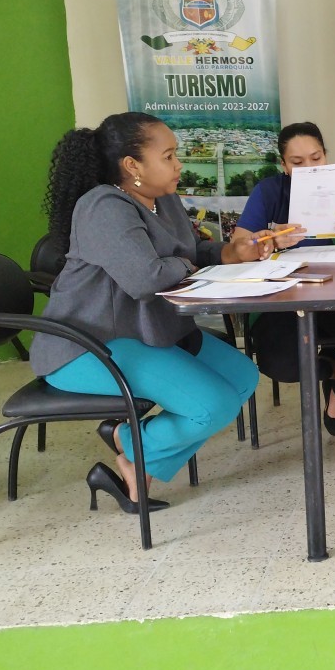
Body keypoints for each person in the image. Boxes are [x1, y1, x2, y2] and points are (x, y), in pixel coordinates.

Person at [30, 112, 261, 512]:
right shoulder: (103, 206)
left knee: (242, 377)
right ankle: (135, 449)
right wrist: (188, 265)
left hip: (149, 332)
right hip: (88, 345)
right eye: (168, 156)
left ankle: (133, 452)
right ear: (132, 165)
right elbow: (145, 278)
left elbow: (189, 252)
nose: (179, 165)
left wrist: (230, 252)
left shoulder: (164, 200)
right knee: (213, 406)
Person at [232, 121, 335, 436]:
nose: (309, 168)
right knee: (279, 365)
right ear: (284, 165)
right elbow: (238, 247)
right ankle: (333, 366)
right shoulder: (269, 191)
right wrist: (270, 239)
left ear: (326, 155)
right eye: (297, 162)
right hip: (282, 296)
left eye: (316, 159)